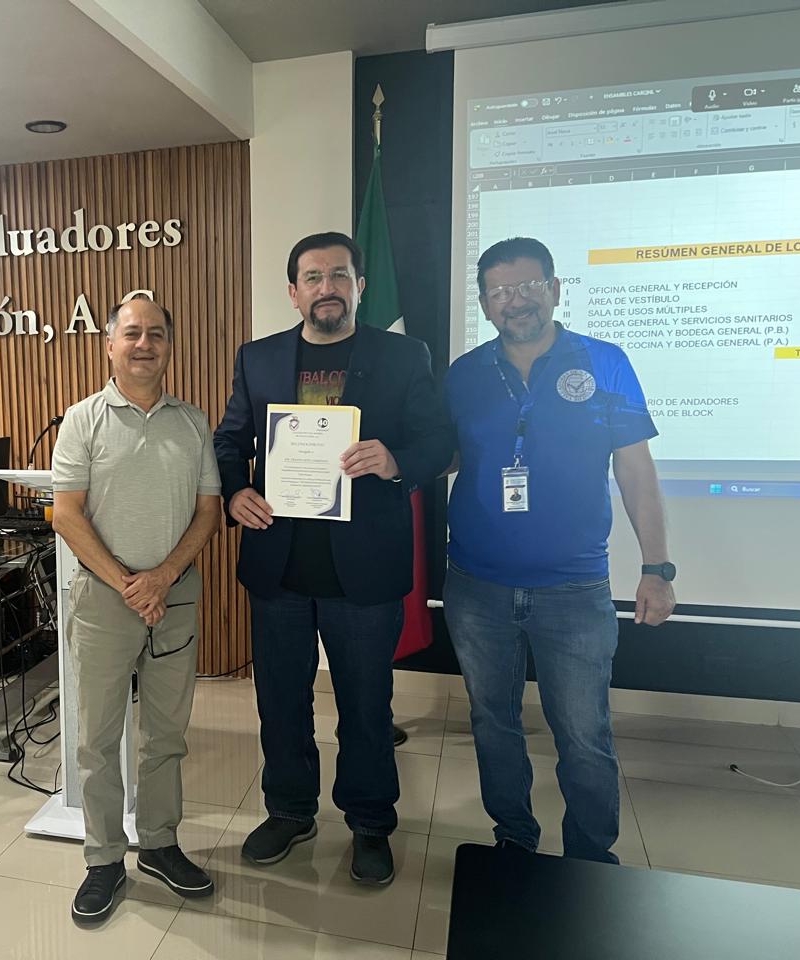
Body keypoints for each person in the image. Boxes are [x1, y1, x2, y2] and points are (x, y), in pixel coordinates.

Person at [213, 231, 454, 885]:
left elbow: (439, 440)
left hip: (364, 567)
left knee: (366, 706)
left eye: (340, 275)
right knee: (280, 702)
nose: (328, 288)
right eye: (314, 277)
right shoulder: (258, 358)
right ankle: (290, 811)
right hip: (280, 566)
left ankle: (370, 823)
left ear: (360, 286)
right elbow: (230, 439)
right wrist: (234, 491)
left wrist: (396, 460)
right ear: (294, 292)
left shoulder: (403, 355)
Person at [443, 236, 675, 864]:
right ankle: (514, 839)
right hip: (476, 586)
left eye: (527, 286)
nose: (514, 301)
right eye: (499, 291)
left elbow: (635, 469)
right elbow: (447, 455)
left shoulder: (605, 362)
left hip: (574, 589)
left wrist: (656, 568)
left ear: (555, 288)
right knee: (493, 724)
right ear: (485, 303)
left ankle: (591, 860)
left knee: (583, 733)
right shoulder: (465, 373)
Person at [51, 295, 222, 925]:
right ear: (109, 345)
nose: (143, 344)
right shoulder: (82, 420)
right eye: (131, 333)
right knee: (97, 738)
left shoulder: (193, 423)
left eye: (155, 334)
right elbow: (65, 513)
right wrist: (129, 583)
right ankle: (103, 860)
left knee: (166, 735)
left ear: (169, 346)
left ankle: (158, 844)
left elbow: (208, 512)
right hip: (105, 601)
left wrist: (162, 578)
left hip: (173, 599)